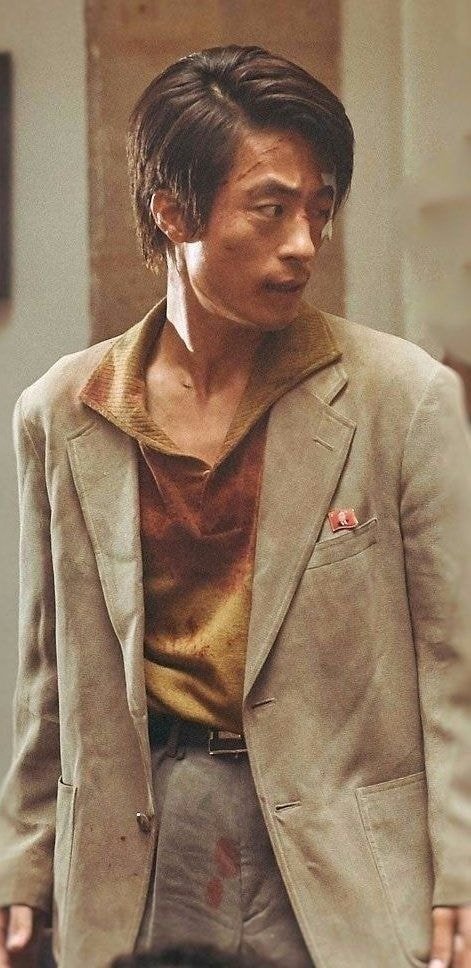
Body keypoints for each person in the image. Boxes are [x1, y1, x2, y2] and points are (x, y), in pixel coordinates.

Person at [0, 43, 470, 968]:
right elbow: (48, 675)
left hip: (343, 849)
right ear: (172, 210)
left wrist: (461, 867)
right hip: (141, 838)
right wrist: (23, 865)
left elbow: (455, 664)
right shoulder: (62, 410)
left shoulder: (402, 397)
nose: (303, 242)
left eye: (318, 210)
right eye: (271, 208)